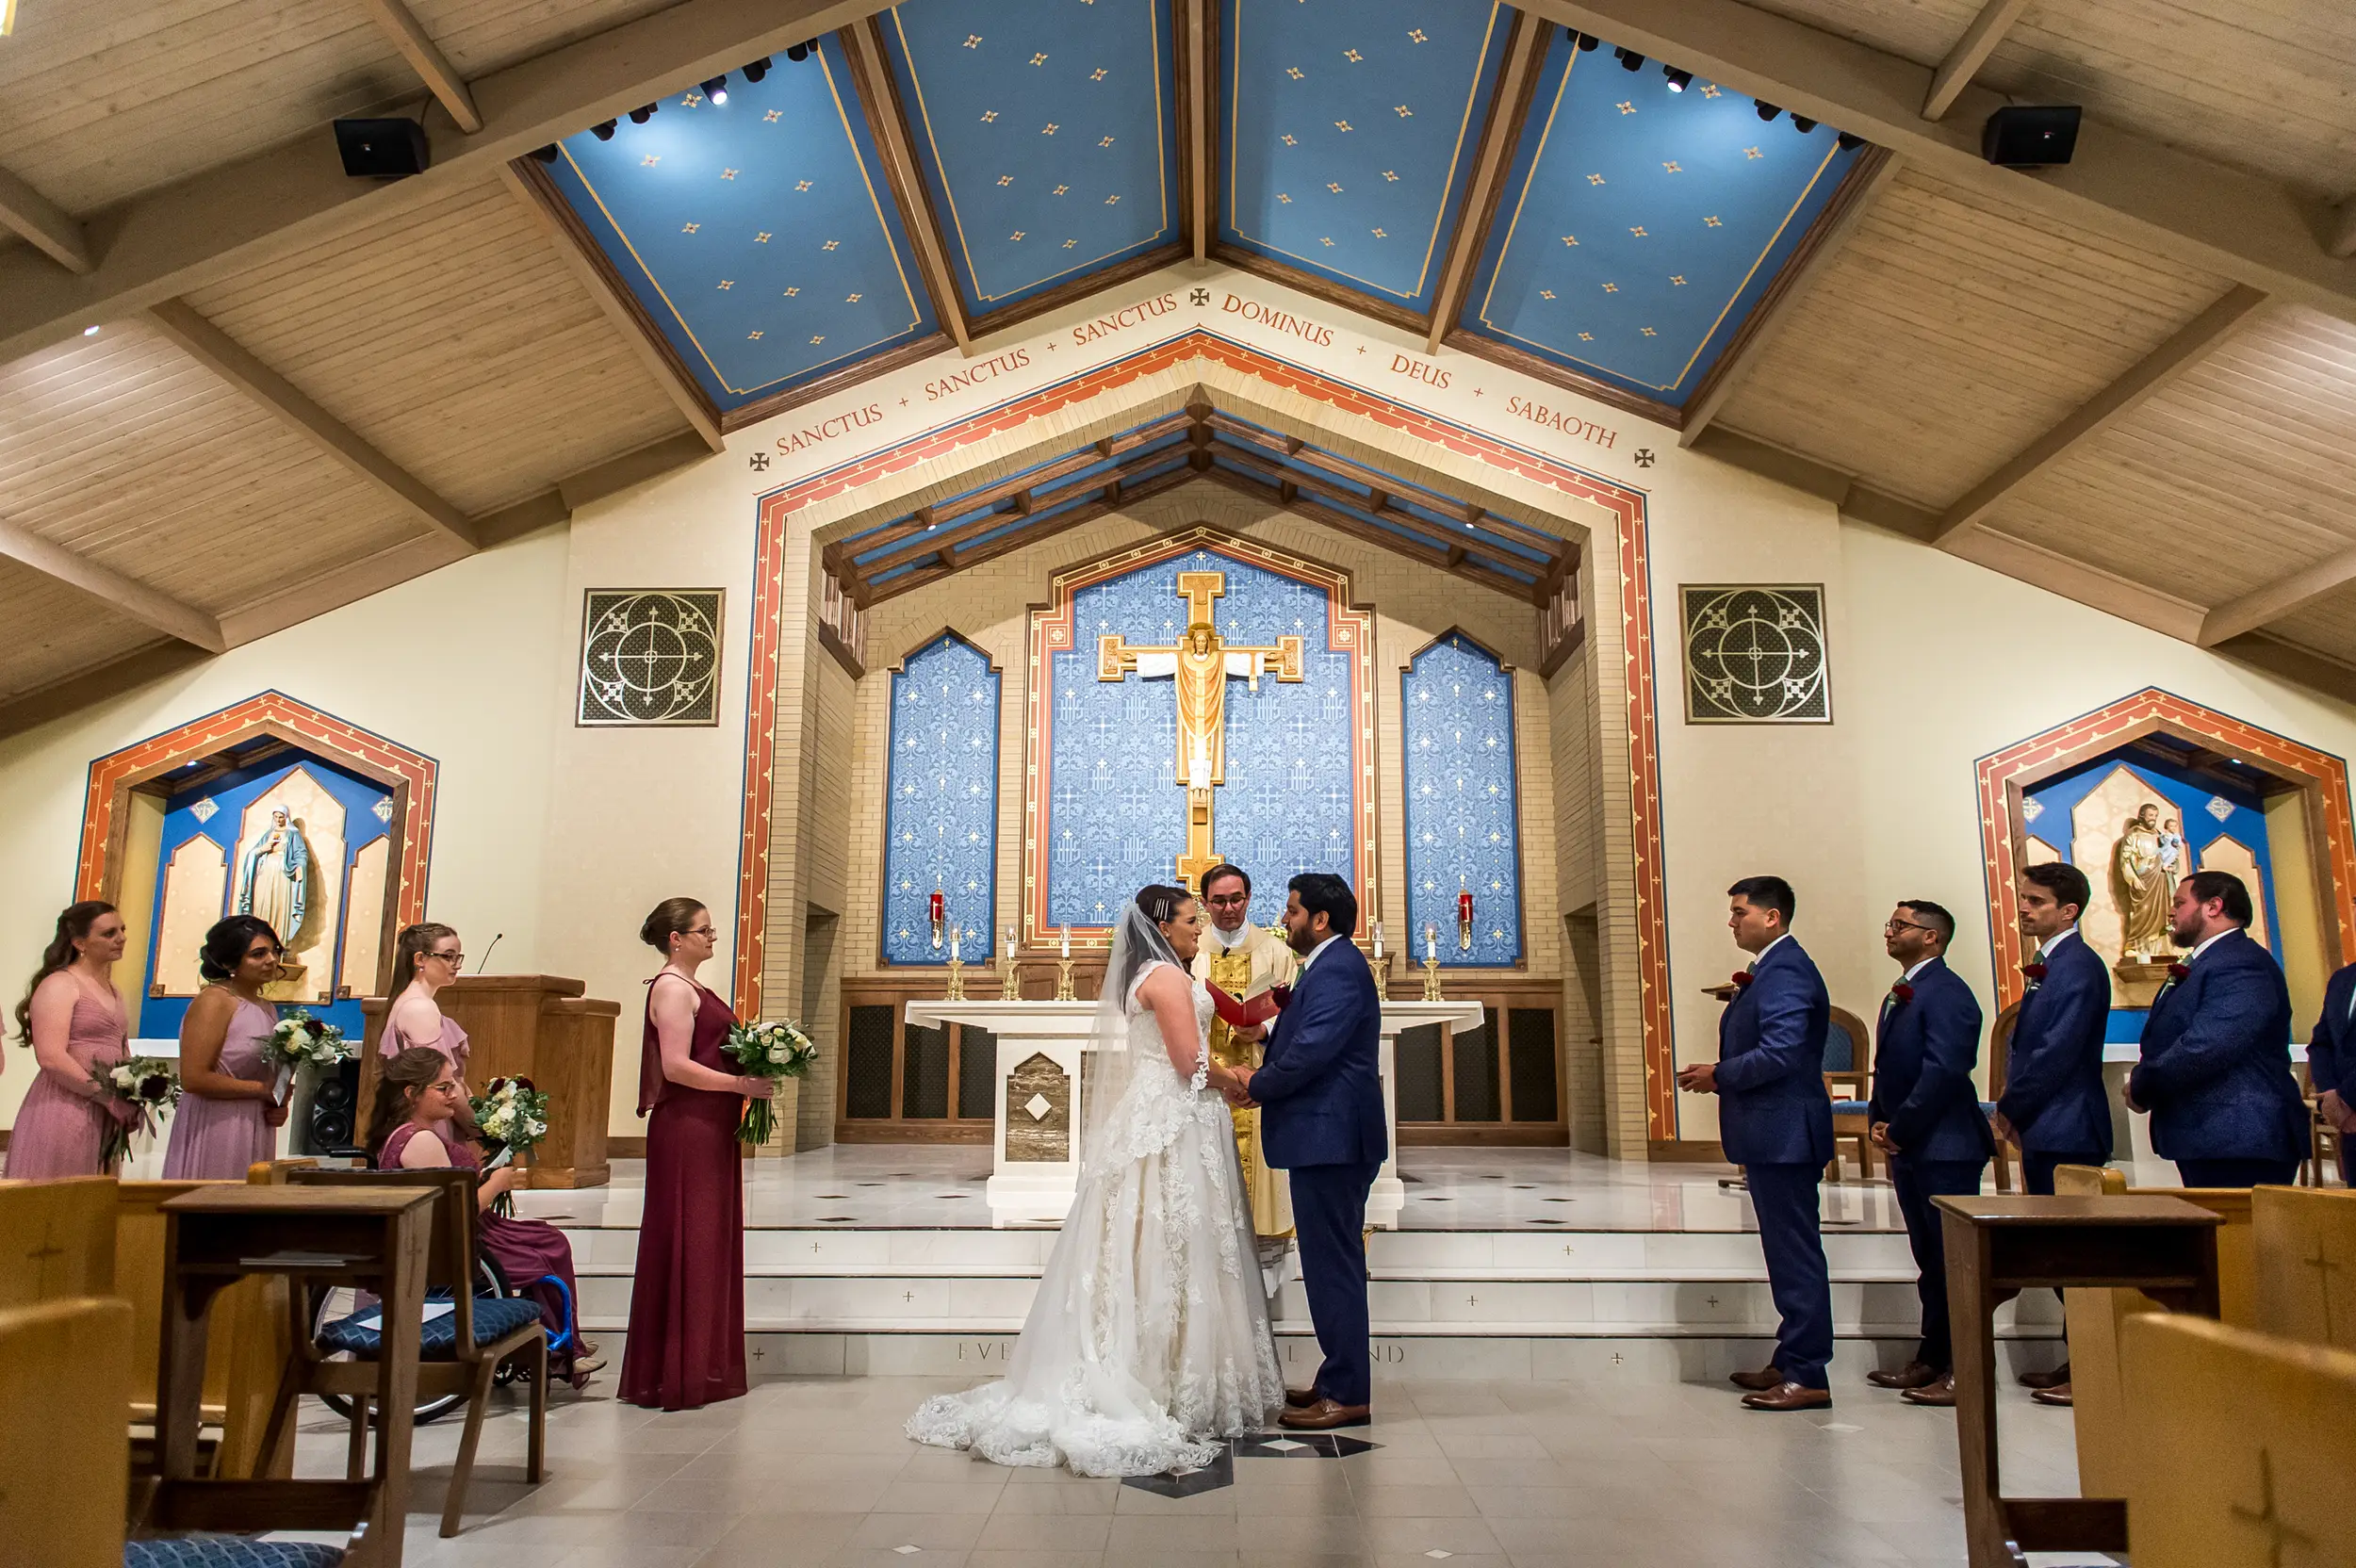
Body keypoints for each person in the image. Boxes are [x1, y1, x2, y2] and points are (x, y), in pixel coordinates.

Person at [908, 885, 1280, 1472]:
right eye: (1190, 919)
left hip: (1162, 1111)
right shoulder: (1166, 978)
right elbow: (1191, 1063)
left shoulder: (1156, 974)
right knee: (1174, 1237)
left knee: (1150, 1240)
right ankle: (1167, 1375)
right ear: (1162, 924)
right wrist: (1239, 1078)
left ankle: (1161, 1363)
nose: (1199, 927)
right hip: (1174, 1117)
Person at [1229, 872, 1384, 1431]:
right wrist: (1270, 1042)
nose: (1284, 920)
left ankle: (1347, 1393)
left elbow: (1315, 1052)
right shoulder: (1327, 965)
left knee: (1333, 1264)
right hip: (1325, 1136)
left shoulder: (1339, 968)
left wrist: (1255, 1083)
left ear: (1320, 919)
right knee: (1324, 1264)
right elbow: (1312, 1039)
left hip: (1333, 1139)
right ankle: (1334, 1377)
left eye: (1292, 911)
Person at [1678, 875, 1834, 1412]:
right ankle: (1791, 1359)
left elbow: (1783, 1053)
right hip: (1773, 1132)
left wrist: (1718, 1073)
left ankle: (1809, 1372)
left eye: (1740, 911)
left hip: (1786, 1132)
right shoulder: (1771, 969)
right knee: (1784, 1251)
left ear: (1772, 917)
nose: (1731, 920)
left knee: (1795, 1253)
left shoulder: (1786, 970)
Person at [368, 1047, 604, 1387]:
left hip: (461, 1230)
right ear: (411, 1094)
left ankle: (558, 1340)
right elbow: (455, 1212)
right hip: (455, 1241)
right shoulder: (419, 1142)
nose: (454, 1095)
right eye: (444, 1088)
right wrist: (496, 1183)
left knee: (545, 1236)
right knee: (548, 1247)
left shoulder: (407, 1133)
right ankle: (554, 1352)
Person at [618, 898, 770, 1411]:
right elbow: (676, 1067)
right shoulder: (671, 988)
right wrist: (739, 1082)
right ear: (676, 938)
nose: (712, 937)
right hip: (688, 1129)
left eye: (712, 930)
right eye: (703, 930)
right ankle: (678, 1371)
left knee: (708, 1242)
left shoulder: (693, 986)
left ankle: (701, 1363)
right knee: (691, 1239)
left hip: (710, 1127)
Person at [1994, 860, 2114, 1407]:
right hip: (2050, 1123)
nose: (2023, 907)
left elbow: (2055, 1052)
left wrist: (2011, 1107)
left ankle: (2093, 1364)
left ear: (2068, 910)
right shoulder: (2053, 962)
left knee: (2075, 1255)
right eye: (2023, 898)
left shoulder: (2077, 965)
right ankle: (2077, 1358)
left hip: (2067, 1124)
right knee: (2060, 1253)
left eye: (2035, 901)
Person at [1863, 900, 1991, 1409]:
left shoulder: (1948, 992)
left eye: (1900, 925)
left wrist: (1901, 1125)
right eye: (1889, 923)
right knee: (1930, 1262)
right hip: (1914, 1144)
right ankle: (1933, 1357)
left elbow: (1944, 1069)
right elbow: (1888, 1065)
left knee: (1955, 1264)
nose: (1889, 931)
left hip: (1945, 1145)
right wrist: (1880, 1118)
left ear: (1932, 937)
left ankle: (1967, 1370)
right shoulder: (1906, 991)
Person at [2128, 871, 2306, 1187]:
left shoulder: (2240, 962)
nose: (2171, 911)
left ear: (2213, 906)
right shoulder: (2211, 961)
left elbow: (2208, 1045)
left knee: (2238, 1236)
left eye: (2180, 903)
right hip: (2215, 1134)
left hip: (2240, 1134)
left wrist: (2143, 1085)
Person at [1188, 862, 1300, 1284]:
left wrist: (1265, 1027)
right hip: (1207, 1086)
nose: (1229, 908)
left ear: (1249, 898)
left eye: (1237, 899)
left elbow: (1298, 1015)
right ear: (1205, 904)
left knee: (1262, 1187)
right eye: (1219, 901)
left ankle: (1261, 1284)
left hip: (1260, 1083)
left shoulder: (1276, 952)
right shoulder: (1191, 954)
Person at [6, 901, 137, 1178]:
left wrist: (133, 1094)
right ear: (80, 943)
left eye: (122, 930)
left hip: (106, 1111)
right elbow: (51, 1057)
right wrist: (107, 1098)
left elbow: (121, 1047)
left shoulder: (113, 989)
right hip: (65, 1107)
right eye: (109, 933)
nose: (121, 938)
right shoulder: (60, 984)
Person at [162, 916, 287, 1180]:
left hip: (255, 1121)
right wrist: (261, 1090)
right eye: (258, 954)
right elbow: (194, 1078)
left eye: (275, 951)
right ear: (230, 963)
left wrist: (279, 1101)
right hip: (218, 1122)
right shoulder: (215, 1001)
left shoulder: (267, 1008)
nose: (272, 960)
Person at [380, 922, 477, 1135]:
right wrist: (484, 1131)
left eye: (458, 957)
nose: (456, 965)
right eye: (448, 956)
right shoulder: (419, 1008)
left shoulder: (415, 1002)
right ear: (420, 959)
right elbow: (444, 1086)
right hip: (429, 1126)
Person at [2307, 947, 2356, 1184]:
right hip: (2350, 1123)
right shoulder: (2342, 979)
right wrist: (2332, 1097)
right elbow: (2321, 1044)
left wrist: (2346, 1097)